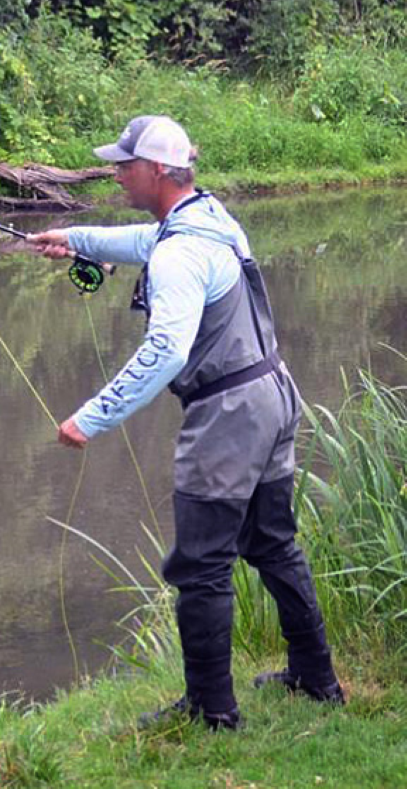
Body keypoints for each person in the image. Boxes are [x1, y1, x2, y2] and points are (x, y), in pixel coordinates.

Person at [28, 115, 343, 730]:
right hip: (273, 392)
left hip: (228, 416)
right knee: (272, 543)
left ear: (154, 171)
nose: (115, 173)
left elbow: (166, 351)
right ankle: (317, 677)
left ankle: (212, 710)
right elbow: (142, 244)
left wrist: (91, 419)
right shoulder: (209, 218)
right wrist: (75, 238)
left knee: (200, 564)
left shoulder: (179, 253)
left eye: (124, 165)